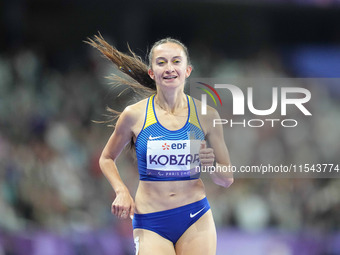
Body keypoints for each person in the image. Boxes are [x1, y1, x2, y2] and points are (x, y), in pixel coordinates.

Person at [87, 34, 233, 255]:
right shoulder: (134, 115)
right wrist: (121, 191)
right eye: (161, 62)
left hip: (195, 218)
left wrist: (211, 166)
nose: (169, 68)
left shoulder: (207, 115)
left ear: (188, 70)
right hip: (151, 221)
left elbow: (227, 178)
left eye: (176, 61)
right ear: (152, 72)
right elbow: (106, 158)